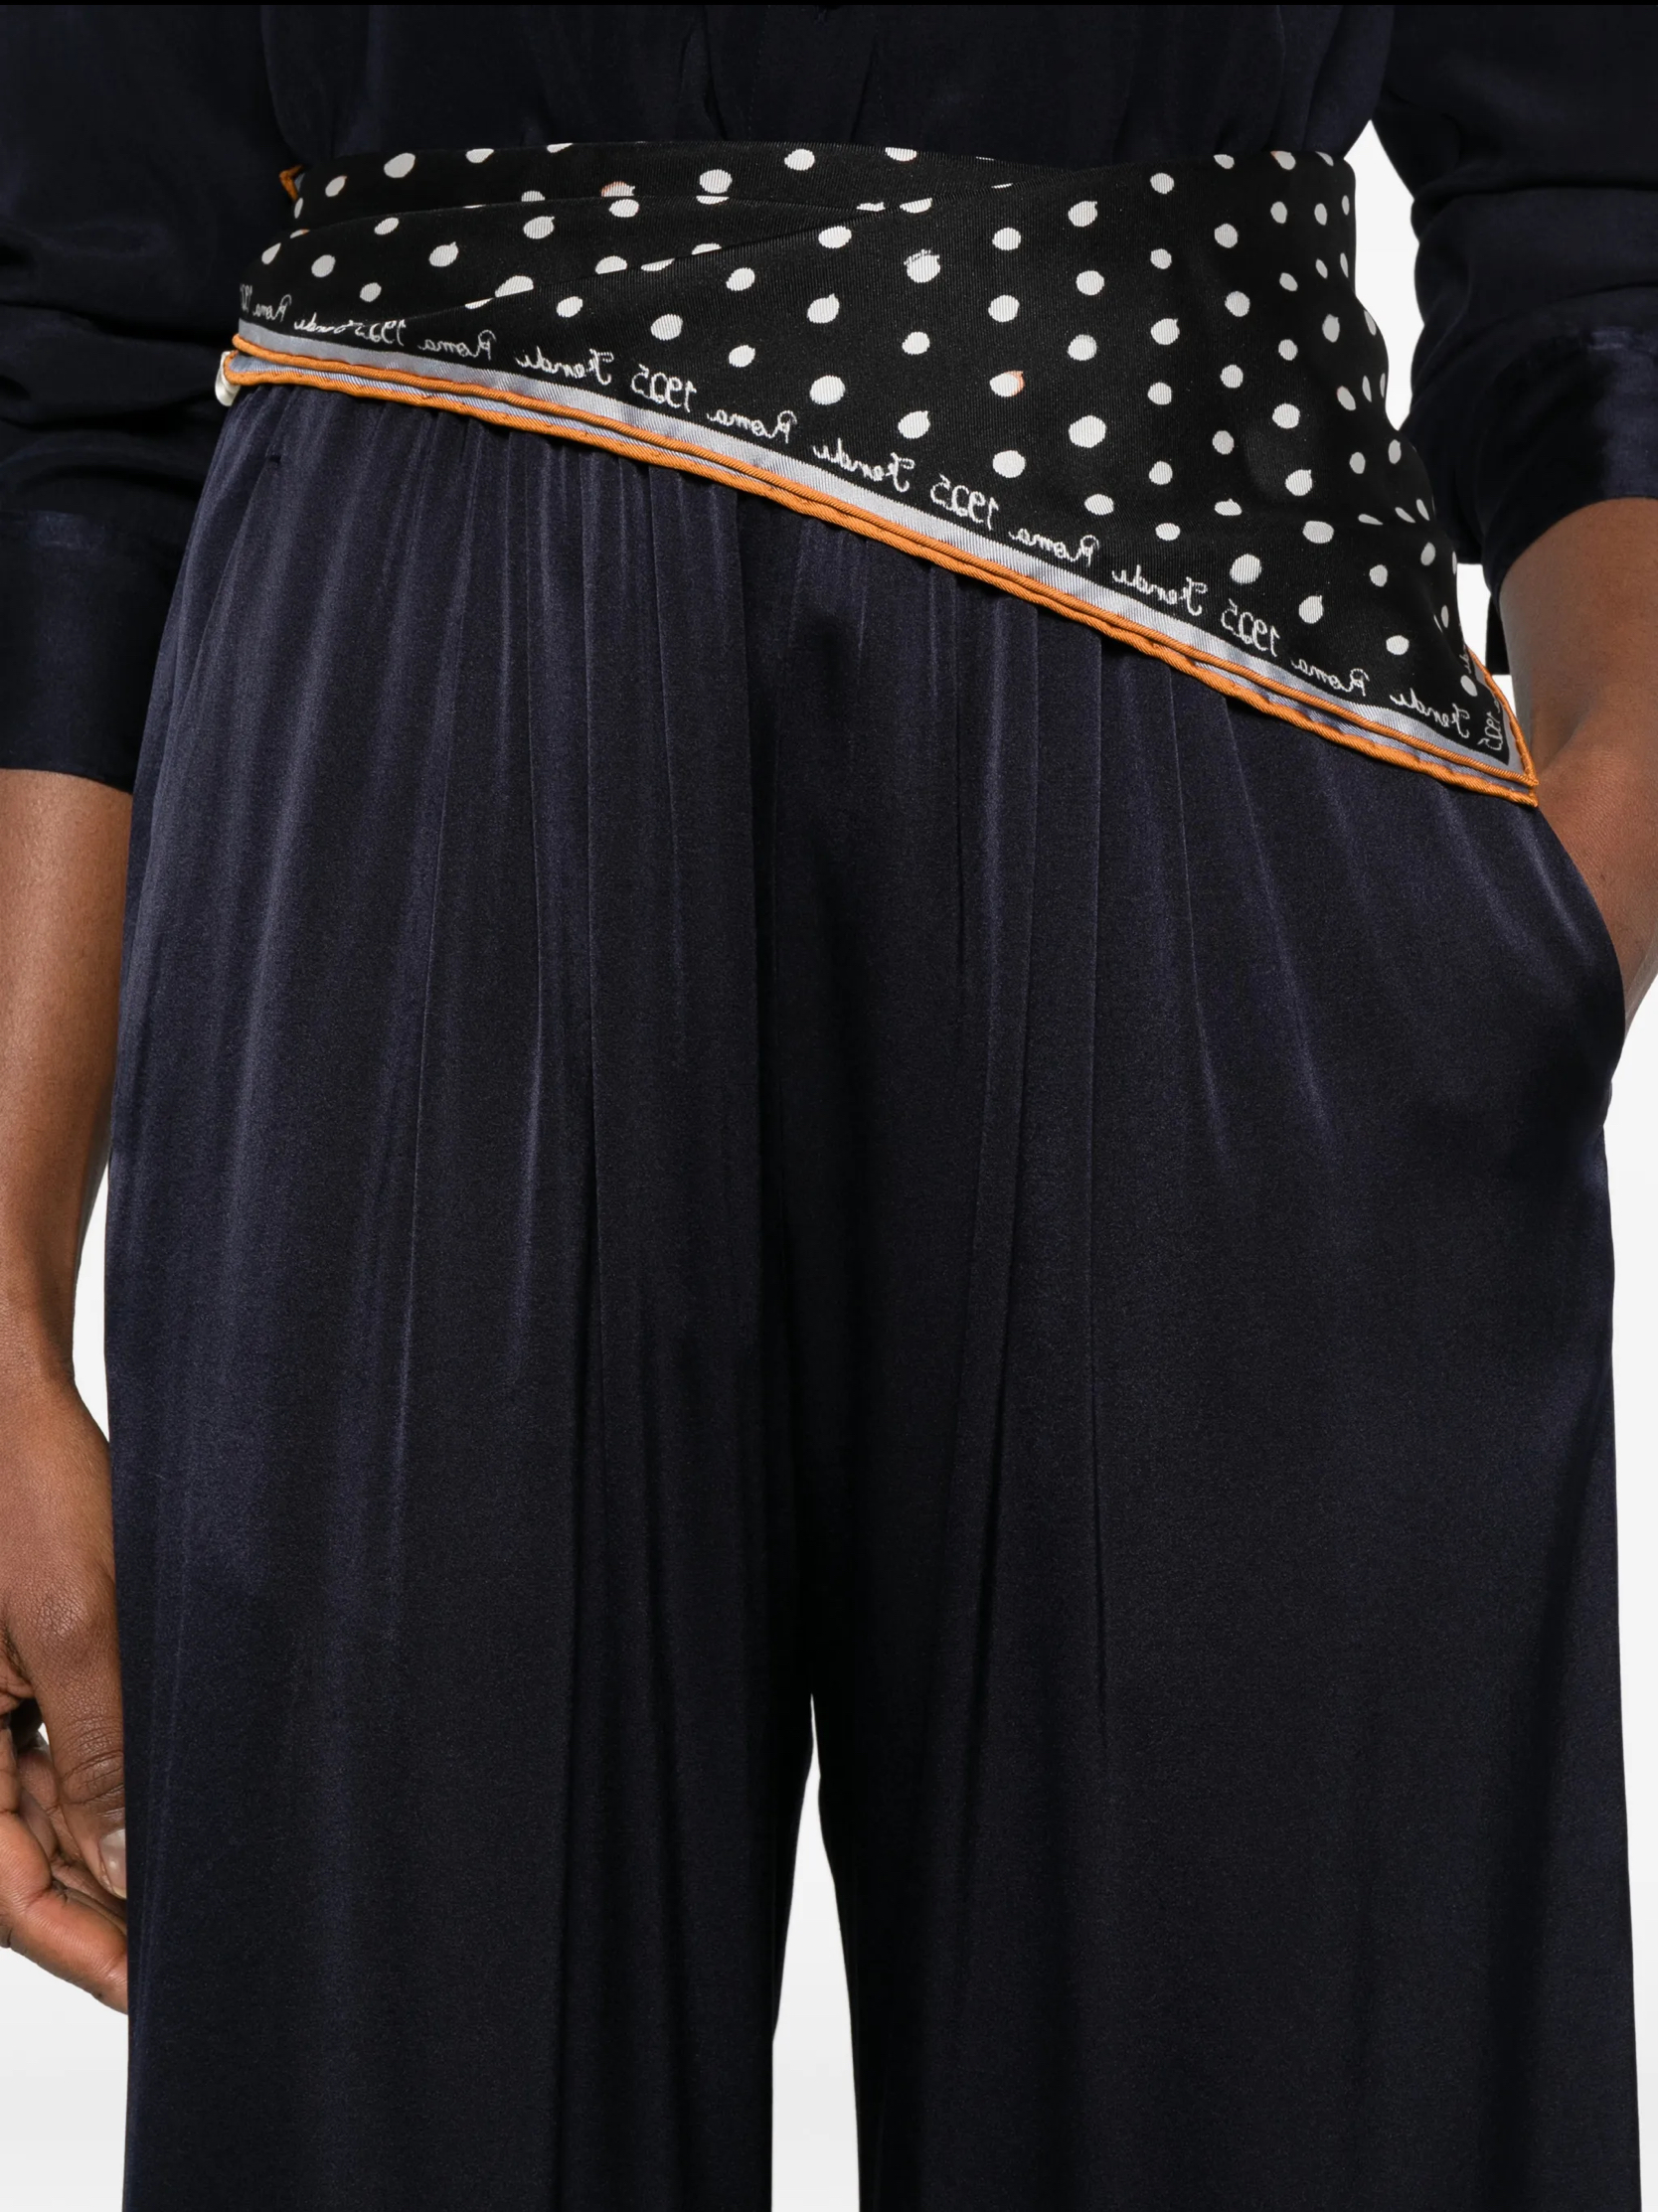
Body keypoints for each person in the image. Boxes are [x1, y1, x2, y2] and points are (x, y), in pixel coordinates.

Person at [1, 6, 1655, 2206]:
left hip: (1224, 709)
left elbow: (1600, 185)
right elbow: (76, 325)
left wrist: (1601, 835)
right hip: (420, 735)